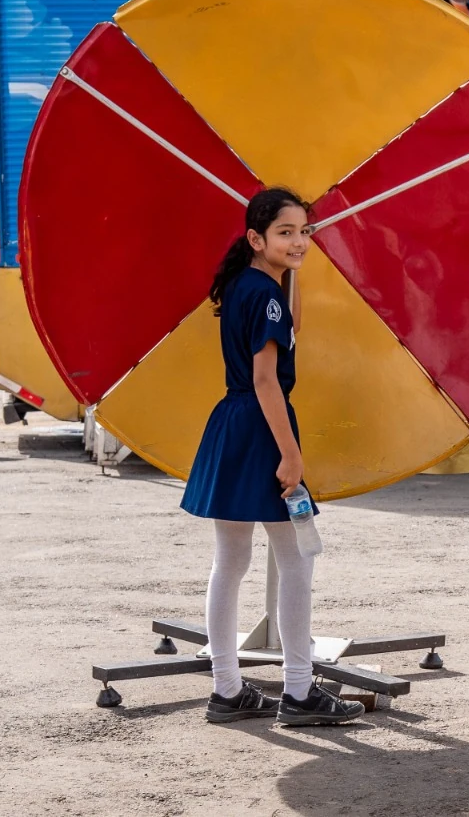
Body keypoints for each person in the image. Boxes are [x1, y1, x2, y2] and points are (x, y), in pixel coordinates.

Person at [180, 188, 366, 726]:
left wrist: (292, 265)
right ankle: (300, 692)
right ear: (255, 238)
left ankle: (227, 690)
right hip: (262, 427)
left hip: (231, 426)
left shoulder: (248, 285)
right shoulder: (263, 295)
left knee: (230, 562)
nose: (299, 241)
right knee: (296, 560)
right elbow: (267, 380)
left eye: (305, 232)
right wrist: (291, 454)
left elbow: (293, 323)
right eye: (286, 233)